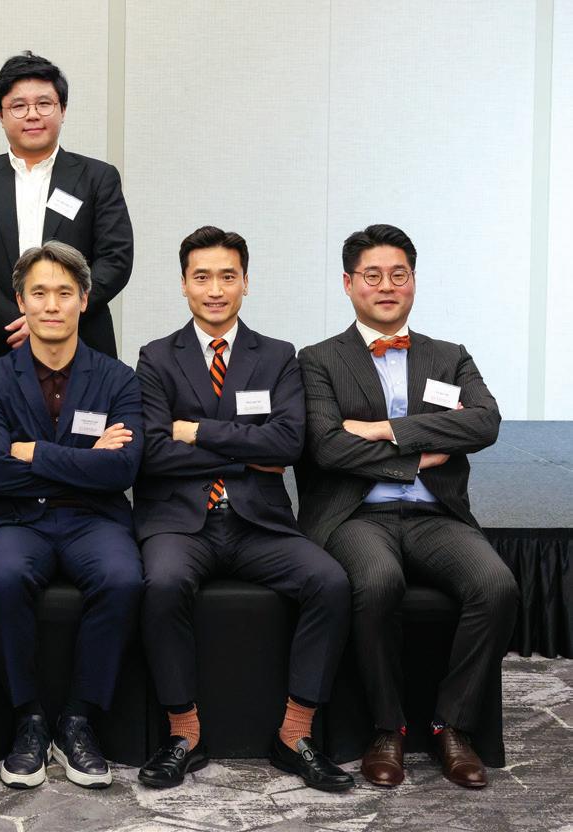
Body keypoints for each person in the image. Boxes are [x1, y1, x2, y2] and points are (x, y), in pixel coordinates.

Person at [133, 226, 353, 792]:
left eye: (227, 276)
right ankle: (184, 733)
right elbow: (152, 452)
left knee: (329, 581)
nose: (215, 289)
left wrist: (196, 431)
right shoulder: (156, 358)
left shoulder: (278, 356)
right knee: (161, 584)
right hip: (180, 522)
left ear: (246, 283)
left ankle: (295, 734)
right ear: (184, 284)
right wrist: (245, 452)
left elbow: (287, 443)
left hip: (260, 522)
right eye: (202, 277)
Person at [297, 224, 516, 790]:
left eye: (399, 274)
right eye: (372, 275)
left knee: (496, 585)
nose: (387, 285)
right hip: (356, 515)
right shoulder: (317, 360)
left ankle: (451, 725)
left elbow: (485, 422)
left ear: (414, 281)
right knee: (378, 582)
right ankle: (386, 727)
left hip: (435, 515)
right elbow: (327, 446)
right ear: (348, 283)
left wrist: (385, 429)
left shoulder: (449, 356)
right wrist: (419, 456)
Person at [0, 241, 142, 790]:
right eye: (38, 293)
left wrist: (34, 453)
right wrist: (86, 459)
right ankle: (29, 719)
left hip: (95, 519)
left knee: (123, 577)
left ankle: (77, 721)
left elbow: (122, 470)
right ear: (20, 302)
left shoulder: (118, 378)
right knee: (1, 576)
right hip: (15, 519)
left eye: (64, 293)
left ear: (84, 300)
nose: (51, 305)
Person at [0, 51, 133, 371]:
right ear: (0, 115)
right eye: (18, 106)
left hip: (82, 340)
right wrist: (19, 322)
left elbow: (116, 258)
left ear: (63, 110)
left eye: (44, 104)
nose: (32, 115)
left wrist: (59, 315)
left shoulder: (98, 178)